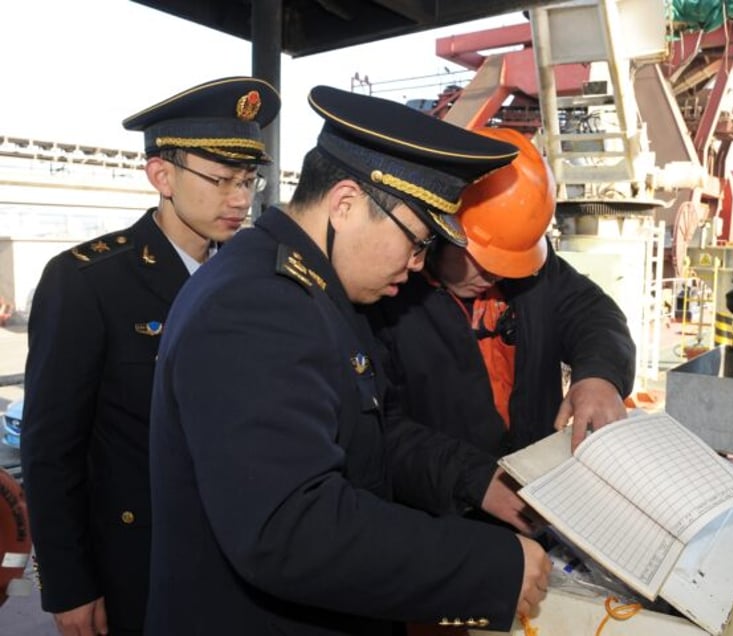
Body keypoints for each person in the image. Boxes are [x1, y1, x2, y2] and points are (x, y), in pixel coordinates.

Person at [146, 85, 551, 635]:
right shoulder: (257, 305)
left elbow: (367, 440)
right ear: (345, 204)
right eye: (416, 241)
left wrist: (475, 481)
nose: (416, 265)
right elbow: (291, 528)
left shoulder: (319, 290)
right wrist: (490, 567)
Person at [20, 76, 281, 636]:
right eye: (220, 179)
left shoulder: (249, 279)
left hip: (240, 561)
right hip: (136, 564)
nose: (240, 199)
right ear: (161, 175)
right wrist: (69, 584)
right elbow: (51, 448)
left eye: (248, 180)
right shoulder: (87, 281)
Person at [369, 126, 636, 492]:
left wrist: (600, 375)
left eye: (511, 260)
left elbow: (593, 312)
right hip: (447, 516)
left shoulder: (532, 273)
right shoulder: (387, 301)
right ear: (439, 230)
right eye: (484, 260)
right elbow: (385, 430)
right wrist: (474, 482)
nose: (497, 273)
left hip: (543, 488)